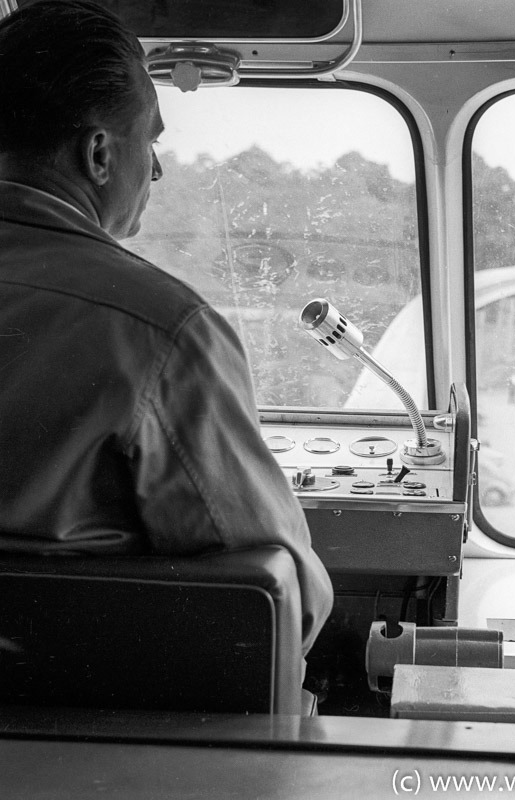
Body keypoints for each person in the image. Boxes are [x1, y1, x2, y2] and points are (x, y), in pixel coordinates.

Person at [0, 1, 332, 657]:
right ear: (98, 153)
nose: (154, 170)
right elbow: (280, 601)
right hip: (90, 728)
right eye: (149, 141)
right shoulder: (162, 330)